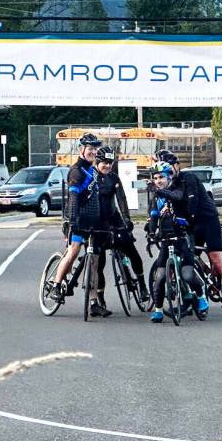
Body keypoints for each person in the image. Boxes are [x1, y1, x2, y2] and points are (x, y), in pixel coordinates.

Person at [155, 149, 222, 307]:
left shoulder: (189, 178)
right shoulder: (168, 184)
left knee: (216, 258)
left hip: (207, 220)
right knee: (189, 258)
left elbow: (191, 203)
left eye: (170, 167)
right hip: (191, 223)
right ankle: (197, 291)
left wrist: (187, 221)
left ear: (177, 166)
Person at [49, 132, 110, 318]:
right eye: (90, 148)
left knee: (94, 262)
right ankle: (56, 285)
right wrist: (73, 221)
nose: (93, 152)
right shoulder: (76, 171)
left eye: (95, 149)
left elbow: (98, 198)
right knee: (74, 251)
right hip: (78, 220)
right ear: (81, 150)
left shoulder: (93, 171)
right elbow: (74, 198)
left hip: (94, 222)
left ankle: (93, 303)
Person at [146, 162, 208, 322]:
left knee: (187, 275)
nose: (158, 181)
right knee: (160, 277)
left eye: (161, 177)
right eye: (155, 178)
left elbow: (178, 197)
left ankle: (200, 296)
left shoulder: (178, 188)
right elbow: (153, 216)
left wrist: (160, 191)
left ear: (169, 178)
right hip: (166, 239)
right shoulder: (156, 197)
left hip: (182, 237)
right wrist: (151, 233)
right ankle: (158, 310)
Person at [93, 146, 148, 307]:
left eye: (110, 163)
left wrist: (127, 220)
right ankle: (100, 298)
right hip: (97, 222)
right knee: (99, 264)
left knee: (131, 251)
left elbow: (121, 199)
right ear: (97, 162)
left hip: (114, 219)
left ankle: (142, 285)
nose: (108, 166)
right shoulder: (91, 178)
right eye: (105, 162)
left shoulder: (114, 178)